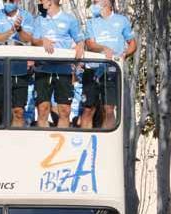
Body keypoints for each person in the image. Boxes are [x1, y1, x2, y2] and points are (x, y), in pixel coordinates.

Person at [80, 0, 136, 130]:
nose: (94, 2)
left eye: (97, 0)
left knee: (109, 109)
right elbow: (90, 44)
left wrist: (124, 54)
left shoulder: (122, 20)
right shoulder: (91, 22)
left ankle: (107, 144)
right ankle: (83, 145)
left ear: (108, 2)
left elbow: (133, 44)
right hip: (93, 70)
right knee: (89, 109)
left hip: (112, 71)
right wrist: (104, 48)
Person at [31, 0, 84, 128]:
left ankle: (61, 143)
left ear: (50, 2)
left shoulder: (69, 19)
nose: (39, 2)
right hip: (43, 69)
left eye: (42, 0)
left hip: (63, 69)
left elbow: (80, 40)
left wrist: (79, 47)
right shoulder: (39, 20)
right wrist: (42, 41)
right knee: (43, 110)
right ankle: (44, 143)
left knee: (65, 110)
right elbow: (34, 40)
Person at [0, 2, 35, 126]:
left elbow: (27, 39)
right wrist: (11, 30)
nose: (8, 3)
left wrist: (20, 29)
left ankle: (17, 143)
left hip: (19, 71)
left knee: (18, 112)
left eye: (11, 0)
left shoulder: (27, 16)